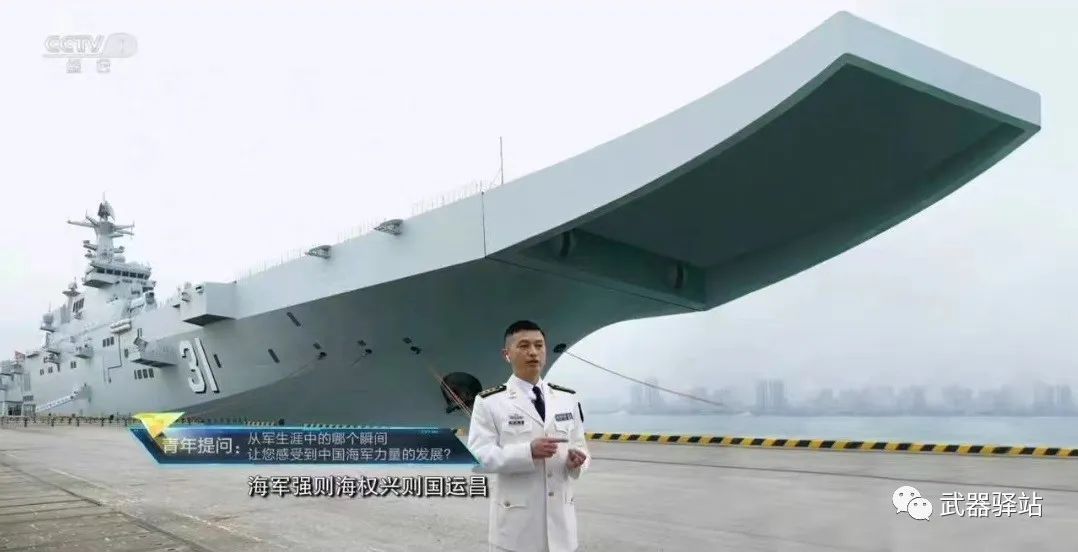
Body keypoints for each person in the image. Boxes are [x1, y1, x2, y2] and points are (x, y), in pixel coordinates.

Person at [467, 320, 590, 552]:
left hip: (562, 530)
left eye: (539, 345)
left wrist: (577, 461)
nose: (533, 352)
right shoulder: (490, 402)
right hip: (515, 532)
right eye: (524, 346)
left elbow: (580, 446)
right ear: (506, 354)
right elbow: (477, 457)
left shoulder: (567, 398)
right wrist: (527, 452)